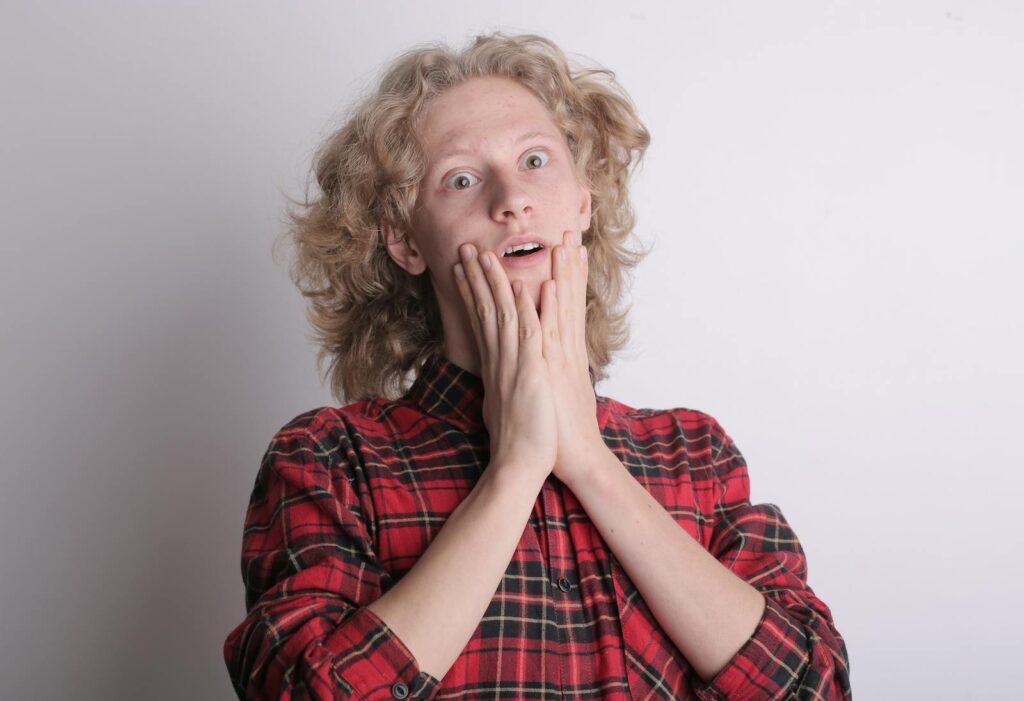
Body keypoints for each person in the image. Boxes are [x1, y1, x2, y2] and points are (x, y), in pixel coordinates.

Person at [223, 32, 852, 700]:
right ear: (405, 239)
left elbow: (813, 686)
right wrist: (514, 469)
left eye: (535, 160)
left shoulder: (694, 455)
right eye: (461, 178)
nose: (511, 199)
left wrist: (588, 459)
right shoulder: (330, 458)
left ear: (582, 205)